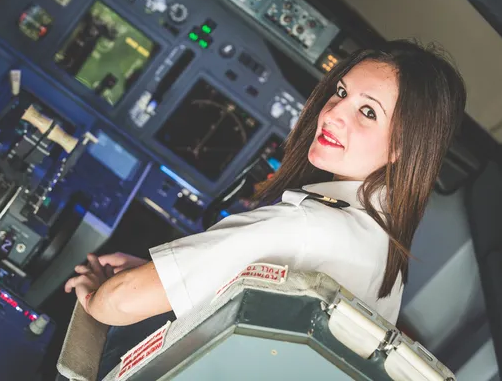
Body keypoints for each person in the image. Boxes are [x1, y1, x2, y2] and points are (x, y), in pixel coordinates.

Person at [64, 39, 466, 377]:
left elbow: (119, 304)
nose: (332, 114)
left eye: (367, 112)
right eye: (341, 93)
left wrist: (94, 294)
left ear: (402, 147)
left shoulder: (307, 224)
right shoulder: (384, 252)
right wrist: (168, 280)